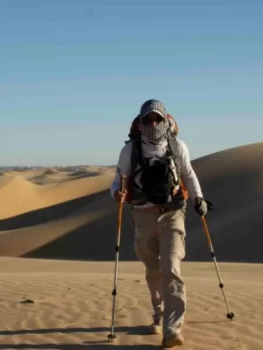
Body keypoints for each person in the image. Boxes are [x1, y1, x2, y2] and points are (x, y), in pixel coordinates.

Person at [109, 99, 211, 348]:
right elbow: (117, 180)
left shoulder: (177, 146)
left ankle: (172, 330)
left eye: (157, 119)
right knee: (153, 270)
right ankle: (159, 314)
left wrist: (198, 198)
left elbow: (188, 173)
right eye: (148, 120)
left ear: (166, 121)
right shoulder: (130, 150)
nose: (153, 124)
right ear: (140, 123)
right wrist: (117, 194)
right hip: (142, 216)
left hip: (173, 213)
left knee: (171, 268)